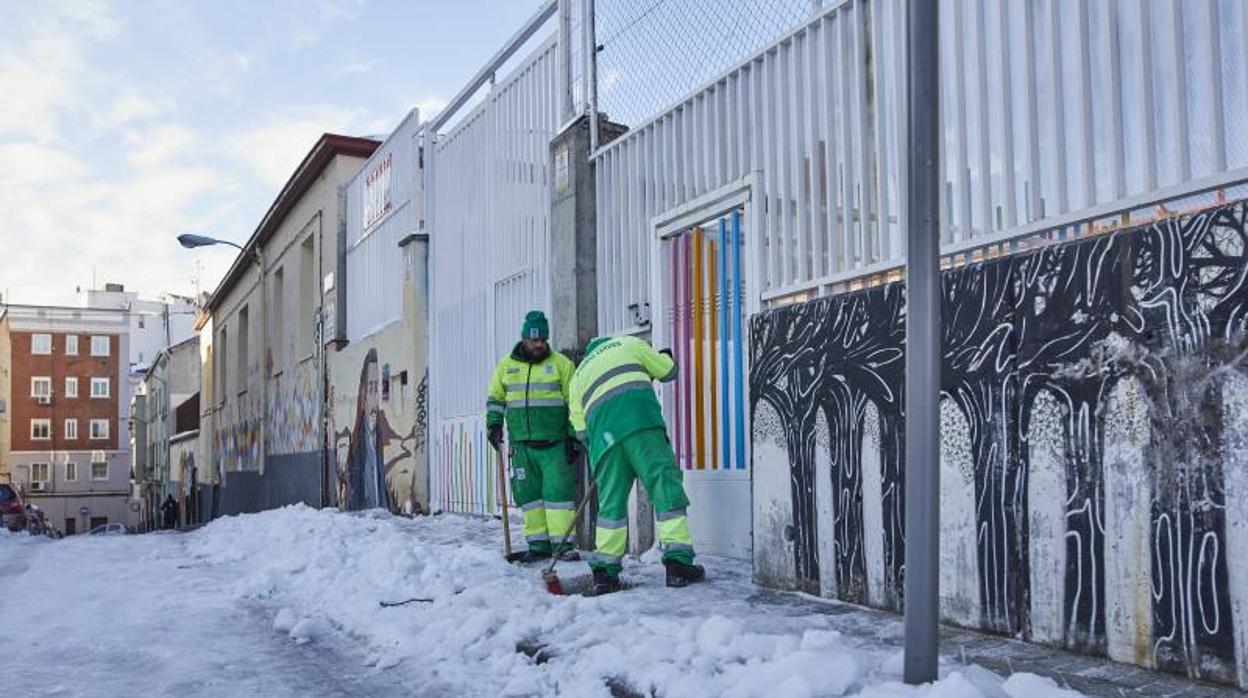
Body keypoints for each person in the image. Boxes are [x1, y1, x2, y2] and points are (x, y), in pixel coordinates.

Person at [569, 335, 704, 594]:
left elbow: (581, 432)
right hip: (642, 425)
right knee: (665, 488)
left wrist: (607, 446)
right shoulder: (628, 344)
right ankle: (677, 565)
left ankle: (605, 574)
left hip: (605, 441)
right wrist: (664, 356)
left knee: (610, 505)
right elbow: (668, 371)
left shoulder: (578, 376)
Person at [486, 310, 579, 563]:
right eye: (533, 340)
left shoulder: (562, 365)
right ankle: (538, 547)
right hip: (521, 446)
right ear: (524, 339)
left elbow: (575, 403)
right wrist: (494, 424)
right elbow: (496, 398)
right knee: (529, 497)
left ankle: (563, 546)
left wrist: (574, 436)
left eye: (542, 340)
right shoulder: (506, 365)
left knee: (558, 495)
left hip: (555, 445)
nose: (538, 345)